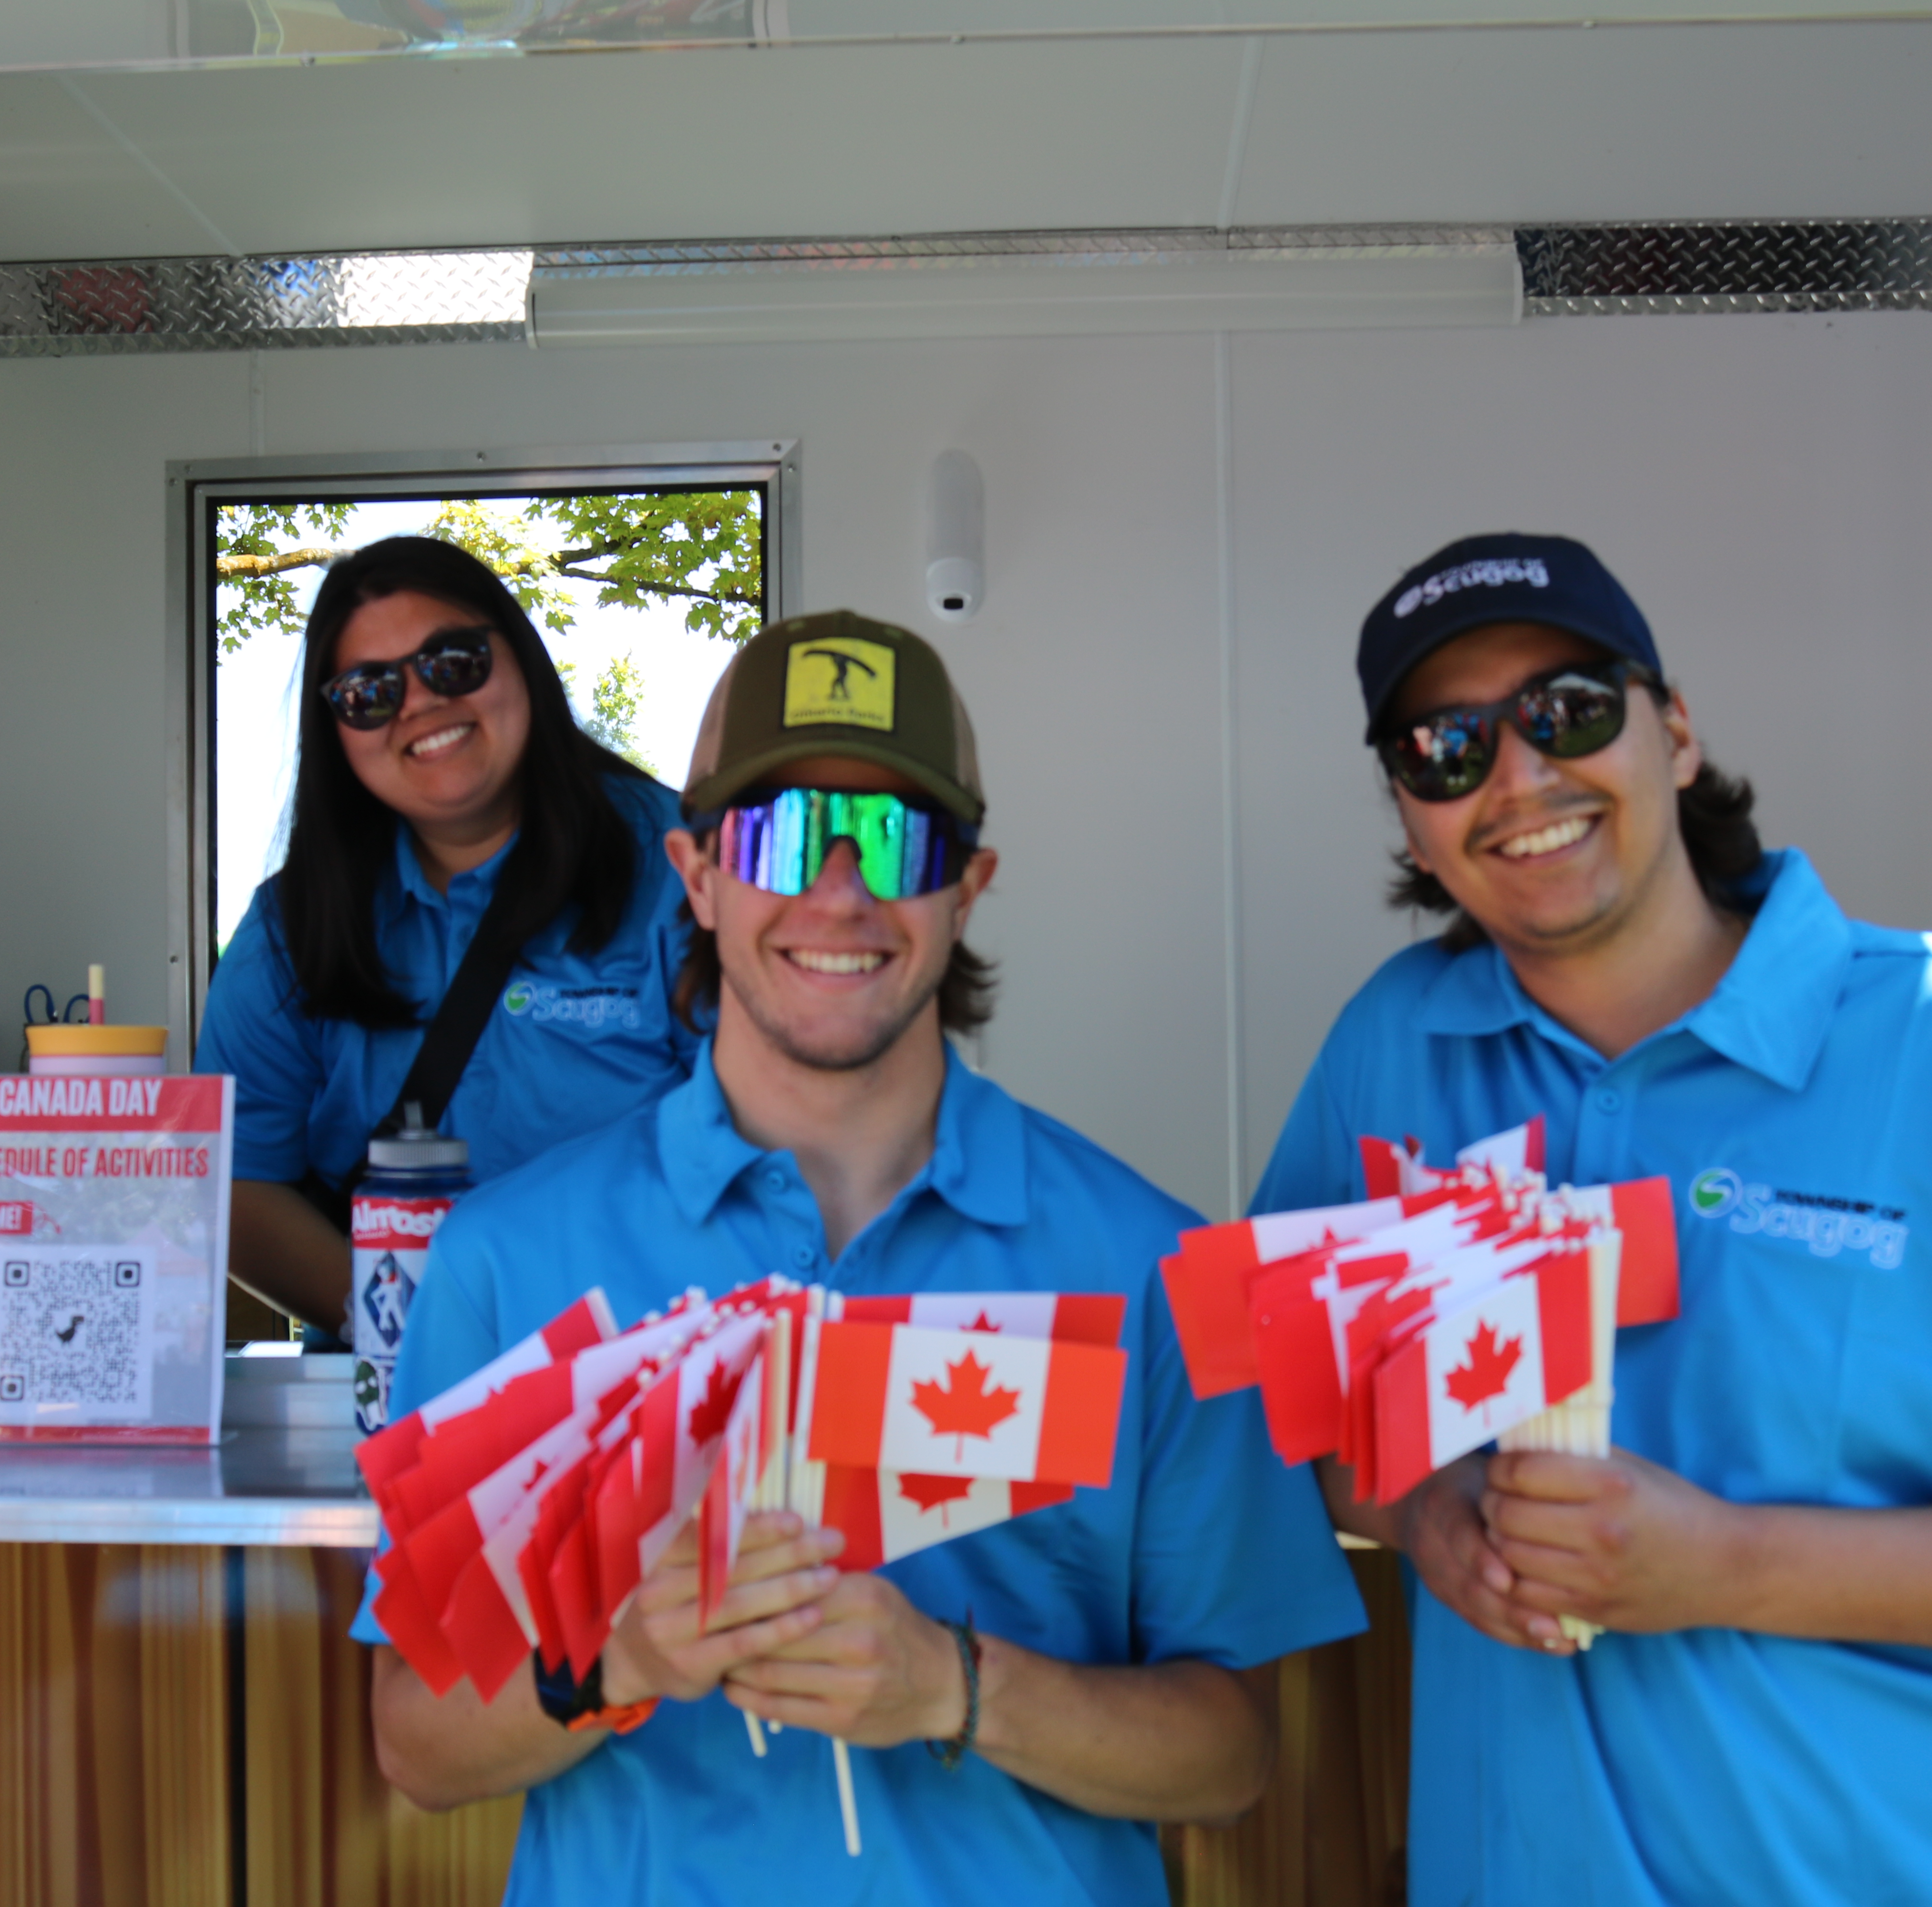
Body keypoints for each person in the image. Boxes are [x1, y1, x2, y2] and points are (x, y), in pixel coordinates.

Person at [1256, 533, 1932, 1905]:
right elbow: (1291, 1391)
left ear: (1674, 733)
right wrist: (1427, 1511)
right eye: (1446, 750)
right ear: (1410, 817)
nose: (1516, 778)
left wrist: (1731, 1565)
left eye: (1567, 711)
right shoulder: (1394, 1053)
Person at [366, 612, 1366, 1902]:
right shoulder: (513, 1259)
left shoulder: (1155, 1267)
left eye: (897, 841)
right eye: (782, 837)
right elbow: (417, 1743)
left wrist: (956, 1688)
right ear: (699, 874)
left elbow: (1231, 1759)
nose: (840, 893)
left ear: (967, 887)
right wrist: (621, 1657)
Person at [197, 536, 697, 1335]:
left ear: (520, 658)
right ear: (337, 732)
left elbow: (776, 1139)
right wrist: (431, 1343)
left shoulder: (686, 872)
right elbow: (241, 1184)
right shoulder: (289, 932)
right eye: (369, 692)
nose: (421, 704)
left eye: (452, 662)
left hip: (657, 1378)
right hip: (395, 1398)